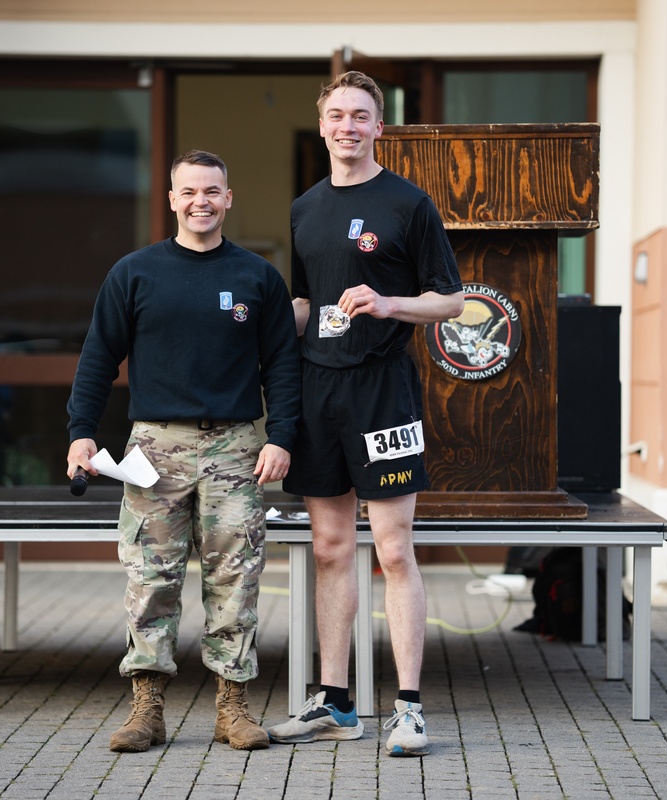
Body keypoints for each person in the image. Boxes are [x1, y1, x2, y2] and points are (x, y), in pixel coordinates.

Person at [67, 149, 301, 753]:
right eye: (189, 191)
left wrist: (282, 437)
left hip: (236, 447)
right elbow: (98, 356)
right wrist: (81, 431)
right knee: (151, 579)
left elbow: (282, 366)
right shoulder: (135, 273)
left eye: (213, 191)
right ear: (172, 199)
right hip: (154, 446)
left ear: (229, 198)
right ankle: (146, 708)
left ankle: (233, 707)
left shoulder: (257, 277)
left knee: (237, 577)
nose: (201, 201)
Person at [266, 72, 464, 757]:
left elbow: (451, 301)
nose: (347, 126)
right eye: (336, 116)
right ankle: (336, 702)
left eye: (360, 116)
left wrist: (389, 304)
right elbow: (303, 301)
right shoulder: (304, 208)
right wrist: (264, 327)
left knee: (393, 549)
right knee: (327, 551)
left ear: (380, 127)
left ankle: (408, 708)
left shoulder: (409, 203)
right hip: (320, 389)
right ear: (321, 126)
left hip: (383, 392)